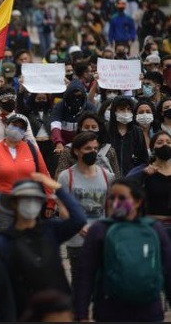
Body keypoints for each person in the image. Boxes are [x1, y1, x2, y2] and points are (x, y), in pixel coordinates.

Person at [74, 177, 171, 322]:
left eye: (122, 198)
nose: (115, 202)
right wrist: (81, 314)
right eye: (111, 197)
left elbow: (168, 270)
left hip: (145, 311)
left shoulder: (154, 229)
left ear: (138, 202)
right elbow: (86, 273)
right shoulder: (99, 230)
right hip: (113, 312)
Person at [0, 173, 86, 317]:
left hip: (57, 312)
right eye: (25, 199)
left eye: (35, 199)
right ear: (14, 203)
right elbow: (2, 288)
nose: (30, 203)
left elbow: (79, 219)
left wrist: (59, 189)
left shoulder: (50, 229)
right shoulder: (4, 241)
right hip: (24, 312)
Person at [57, 131, 114, 288]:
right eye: (88, 149)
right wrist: (78, 227)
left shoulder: (107, 176)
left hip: (101, 239)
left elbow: (110, 207)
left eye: (95, 148)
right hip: (77, 241)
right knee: (80, 284)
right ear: (77, 151)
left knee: (102, 285)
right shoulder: (65, 176)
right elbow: (62, 208)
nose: (93, 152)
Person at [0, 114, 55, 232]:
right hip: (2, 207)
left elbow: (44, 175)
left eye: (21, 128)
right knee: (7, 245)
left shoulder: (31, 149)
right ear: (6, 126)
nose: (17, 130)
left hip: (29, 206)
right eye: (14, 125)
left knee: (27, 245)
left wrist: (51, 201)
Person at [127, 131, 171, 236]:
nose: (165, 145)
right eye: (160, 142)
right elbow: (125, 185)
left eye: (168, 142)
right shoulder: (145, 170)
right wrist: (142, 174)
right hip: (152, 227)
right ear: (152, 149)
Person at [54, 112, 121, 178]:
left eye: (94, 127)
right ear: (80, 129)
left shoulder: (109, 150)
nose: (90, 130)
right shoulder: (68, 150)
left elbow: (117, 177)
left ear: (100, 129)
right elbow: (59, 177)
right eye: (86, 127)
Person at [107, 96, 149, 176]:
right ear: (114, 111)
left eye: (129, 109)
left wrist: (134, 175)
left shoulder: (137, 132)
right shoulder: (106, 130)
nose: (126, 112)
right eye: (122, 109)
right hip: (109, 179)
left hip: (131, 181)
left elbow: (143, 161)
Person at [51, 81, 96, 155]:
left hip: (83, 144)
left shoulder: (89, 107)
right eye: (73, 96)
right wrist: (58, 142)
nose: (76, 99)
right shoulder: (59, 106)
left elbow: (94, 127)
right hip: (63, 145)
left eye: (79, 96)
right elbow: (55, 125)